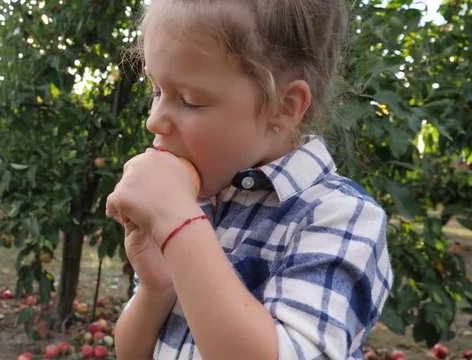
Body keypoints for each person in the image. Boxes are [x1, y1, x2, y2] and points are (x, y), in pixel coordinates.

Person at [105, 0, 393, 359]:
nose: (154, 120)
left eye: (190, 100)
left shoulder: (339, 218)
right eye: (156, 91)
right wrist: (155, 288)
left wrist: (180, 226)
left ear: (283, 107)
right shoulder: (194, 200)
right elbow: (132, 353)